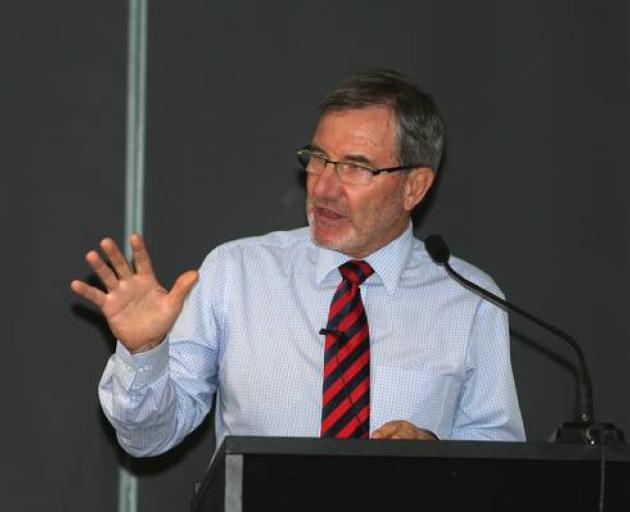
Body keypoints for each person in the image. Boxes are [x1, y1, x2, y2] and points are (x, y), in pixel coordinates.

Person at [71, 70, 525, 456]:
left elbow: (499, 464)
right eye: (319, 159)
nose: (324, 187)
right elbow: (148, 438)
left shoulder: (470, 300)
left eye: (355, 167)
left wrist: (435, 457)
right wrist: (145, 353)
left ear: (414, 187)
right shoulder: (236, 273)